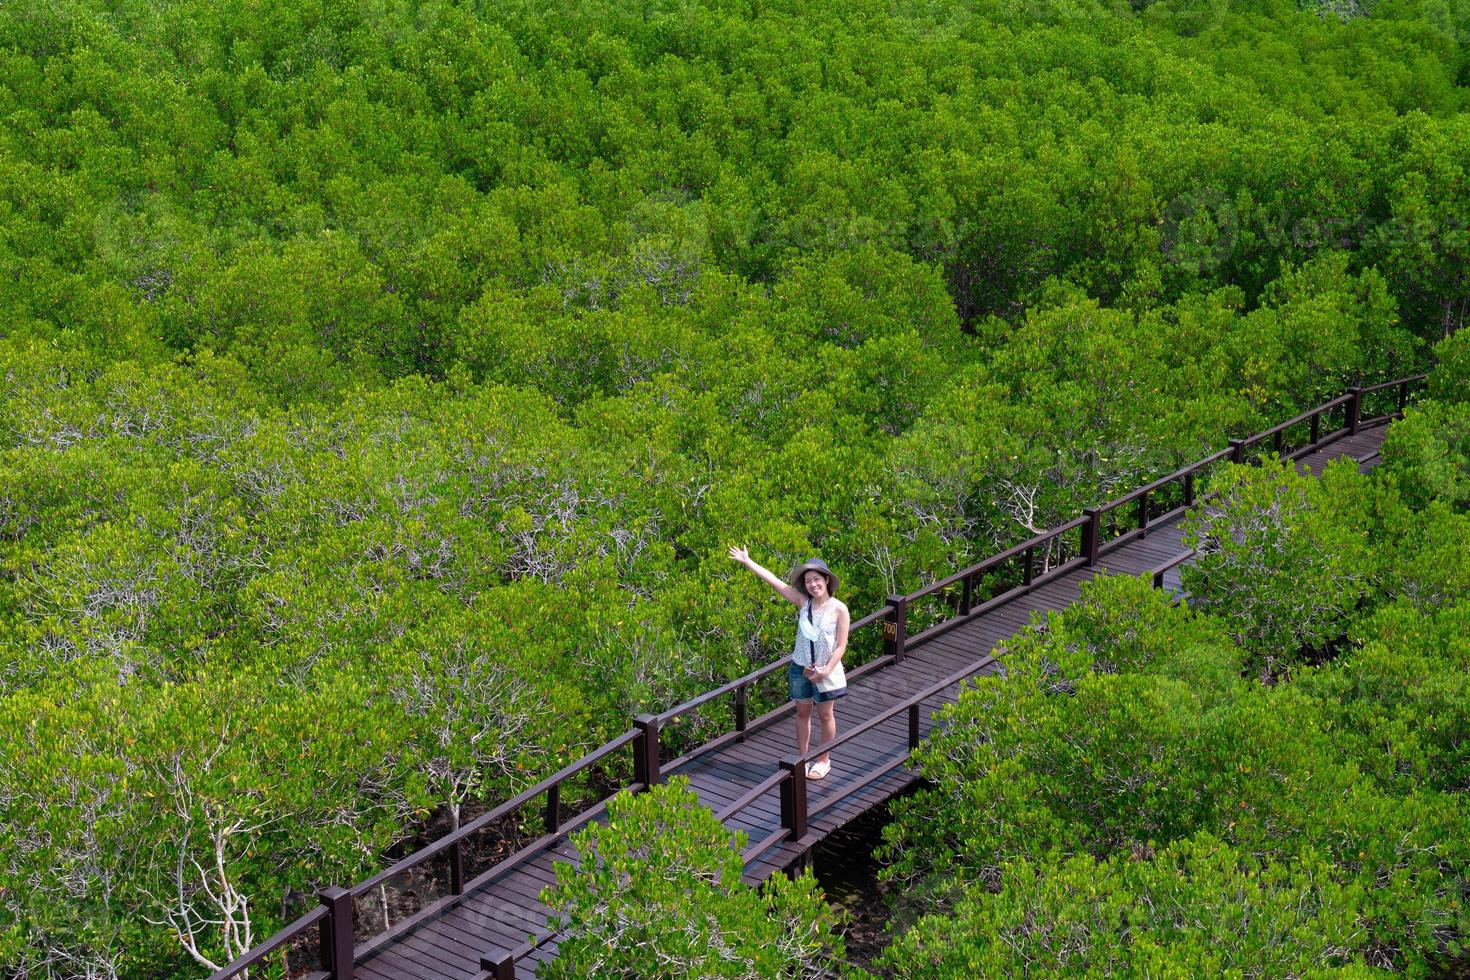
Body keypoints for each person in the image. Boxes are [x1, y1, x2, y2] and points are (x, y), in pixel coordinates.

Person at [727, 547, 849, 779]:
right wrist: (747, 561)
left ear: (826, 580)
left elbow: (841, 645)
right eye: (808, 581)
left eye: (817, 579)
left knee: (825, 714)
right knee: (802, 712)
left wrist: (826, 671)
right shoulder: (804, 602)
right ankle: (803, 758)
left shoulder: (839, 609)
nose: (813, 584)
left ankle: (824, 760)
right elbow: (774, 581)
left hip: (824, 670)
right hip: (800, 668)